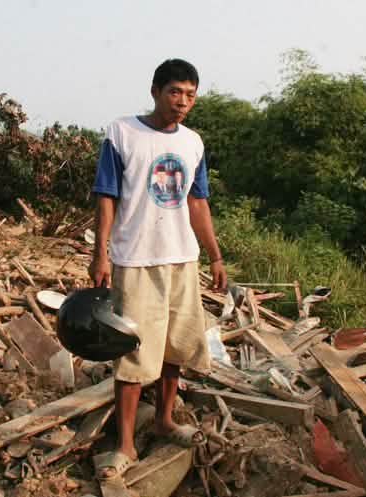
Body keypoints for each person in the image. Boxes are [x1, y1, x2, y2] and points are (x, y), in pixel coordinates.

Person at [90, 58, 227, 480]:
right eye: (175, 92)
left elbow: (197, 202)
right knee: (133, 353)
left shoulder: (193, 143)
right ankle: (126, 443)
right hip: (136, 259)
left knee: (174, 347)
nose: (182, 102)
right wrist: (101, 254)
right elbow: (106, 197)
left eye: (190, 95)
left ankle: (165, 419)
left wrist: (216, 255)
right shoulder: (122, 133)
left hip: (182, 258)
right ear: (155, 90)